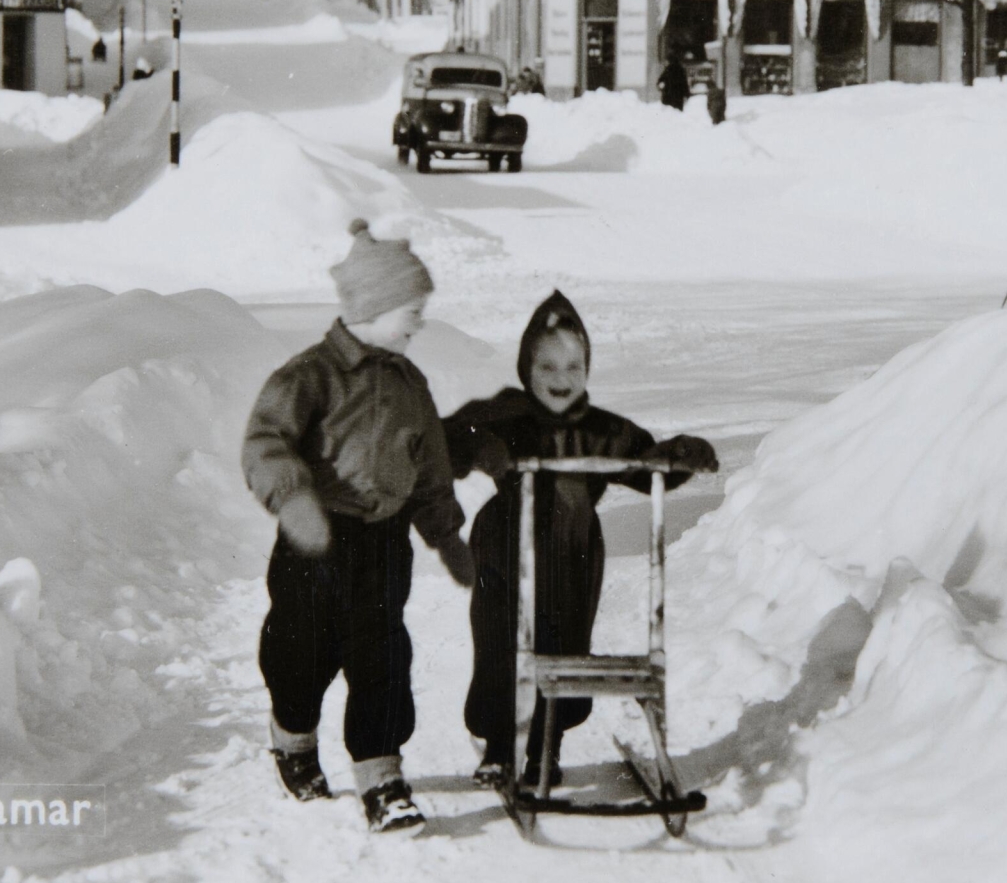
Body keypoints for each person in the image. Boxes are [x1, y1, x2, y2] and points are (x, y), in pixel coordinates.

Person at [242, 219, 475, 832]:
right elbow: (266, 440)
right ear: (373, 305)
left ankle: (382, 778)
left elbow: (430, 469)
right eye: (413, 309)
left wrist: (446, 534)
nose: (420, 322)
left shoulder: (409, 384)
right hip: (314, 540)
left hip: (382, 545)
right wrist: (292, 500)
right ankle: (293, 736)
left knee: (383, 659)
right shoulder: (310, 375)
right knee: (300, 654)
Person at [445, 293, 718, 790]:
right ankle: (501, 747)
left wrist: (680, 455)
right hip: (506, 548)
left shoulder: (603, 430)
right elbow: (446, 441)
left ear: (587, 370)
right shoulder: (505, 415)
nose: (560, 376)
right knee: (501, 644)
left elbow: (645, 464)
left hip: (572, 554)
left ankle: (546, 746)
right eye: (547, 364)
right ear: (527, 367)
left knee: (563, 645)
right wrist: (474, 445)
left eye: (573, 365)